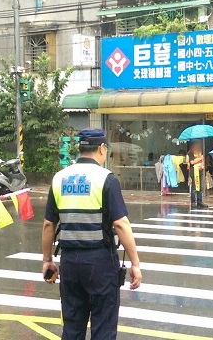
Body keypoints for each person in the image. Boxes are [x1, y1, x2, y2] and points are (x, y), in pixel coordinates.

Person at [41, 128, 142, 340]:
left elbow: (48, 224)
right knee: (103, 328)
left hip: (69, 262)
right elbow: (121, 224)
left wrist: (47, 260)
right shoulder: (106, 179)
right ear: (102, 148)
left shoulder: (59, 178)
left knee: (72, 327)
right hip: (100, 263)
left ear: (80, 149)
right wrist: (135, 263)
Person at [187, 142, 208, 209]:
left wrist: (202, 164)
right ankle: (193, 202)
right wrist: (200, 159)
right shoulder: (190, 153)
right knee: (194, 188)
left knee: (200, 187)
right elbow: (192, 162)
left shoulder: (199, 152)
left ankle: (200, 201)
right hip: (194, 172)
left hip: (200, 171)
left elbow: (202, 160)